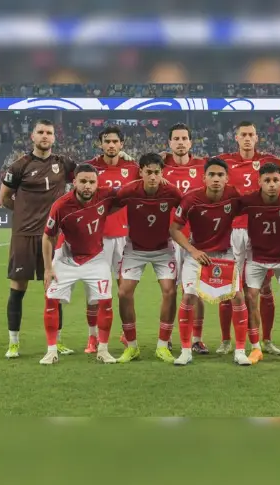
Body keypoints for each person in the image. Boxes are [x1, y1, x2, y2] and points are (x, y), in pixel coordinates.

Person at [0, 119, 76, 359]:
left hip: (52, 236)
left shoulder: (63, 163)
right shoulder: (19, 166)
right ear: (32, 136)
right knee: (18, 287)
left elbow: (88, 175)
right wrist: (24, 214)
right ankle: (13, 343)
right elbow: (5, 197)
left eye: (49, 133)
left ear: (54, 137)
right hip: (23, 235)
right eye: (40, 132)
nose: (45, 136)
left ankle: (57, 341)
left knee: (53, 288)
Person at [170, 157, 251, 366]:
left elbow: (254, 207)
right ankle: (186, 351)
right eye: (212, 175)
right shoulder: (191, 199)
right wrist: (193, 251)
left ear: (227, 178)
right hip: (197, 254)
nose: (216, 179)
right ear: (204, 178)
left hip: (224, 255)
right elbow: (174, 229)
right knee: (189, 296)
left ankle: (240, 351)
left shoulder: (233, 196)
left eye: (220, 175)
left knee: (237, 297)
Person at [41, 164, 123, 365]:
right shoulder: (61, 206)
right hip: (67, 258)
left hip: (96, 258)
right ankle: (51, 351)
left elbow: (131, 190)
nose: (87, 186)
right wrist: (48, 268)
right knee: (51, 300)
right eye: (83, 181)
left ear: (97, 183)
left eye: (92, 182)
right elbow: (48, 237)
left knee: (106, 301)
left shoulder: (105, 195)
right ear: (74, 182)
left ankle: (103, 350)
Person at [217, 121, 280, 355]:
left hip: (260, 229)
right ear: (236, 137)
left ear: (257, 138)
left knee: (264, 286)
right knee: (228, 286)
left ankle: (267, 340)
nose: (247, 138)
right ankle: (226, 340)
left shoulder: (270, 162)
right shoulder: (223, 161)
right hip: (232, 230)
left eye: (250, 134)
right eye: (242, 134)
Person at [115, 153, 182, 364]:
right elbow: (109, 205)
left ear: (162, 173)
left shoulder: (172, 192)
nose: (153, 176)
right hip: (135, 248)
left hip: (163, 248)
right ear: (141, 172)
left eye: (157, 172)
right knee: (124, 292)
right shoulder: (129, 191)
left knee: (170, 291)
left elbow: (187, 210)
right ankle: (131, 346)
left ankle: (163, 345)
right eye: (149, 172)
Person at [240, 163, 280, 365]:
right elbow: (226, 211)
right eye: (267, 180)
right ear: (259, 182)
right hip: (256, 257)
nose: (272, 184)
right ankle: (255, 347)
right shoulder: (250, 200)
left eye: (276, 180)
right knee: (251, 297)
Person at [84, 126, 140, 353]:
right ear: (100, 144)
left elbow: (153, 174)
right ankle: (92, 337)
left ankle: (127, 334)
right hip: (97, 238)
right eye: (107, 141)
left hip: (125, 238)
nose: (111, 145)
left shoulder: (133, 168)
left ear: (122, 144)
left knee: (125, 290)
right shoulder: (90, 168)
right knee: (94, 290)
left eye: (115, 141)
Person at [162, 123, 208, 354]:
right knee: (170, 289)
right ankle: (167, 337)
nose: (180, 142)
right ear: (169, 143)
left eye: (184, 138)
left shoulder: (203, 166)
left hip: (196, 238)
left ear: (191, 142)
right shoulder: (160, 166)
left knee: (195, 289)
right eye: (176, 139)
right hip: (168, 238)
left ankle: (197, 338)